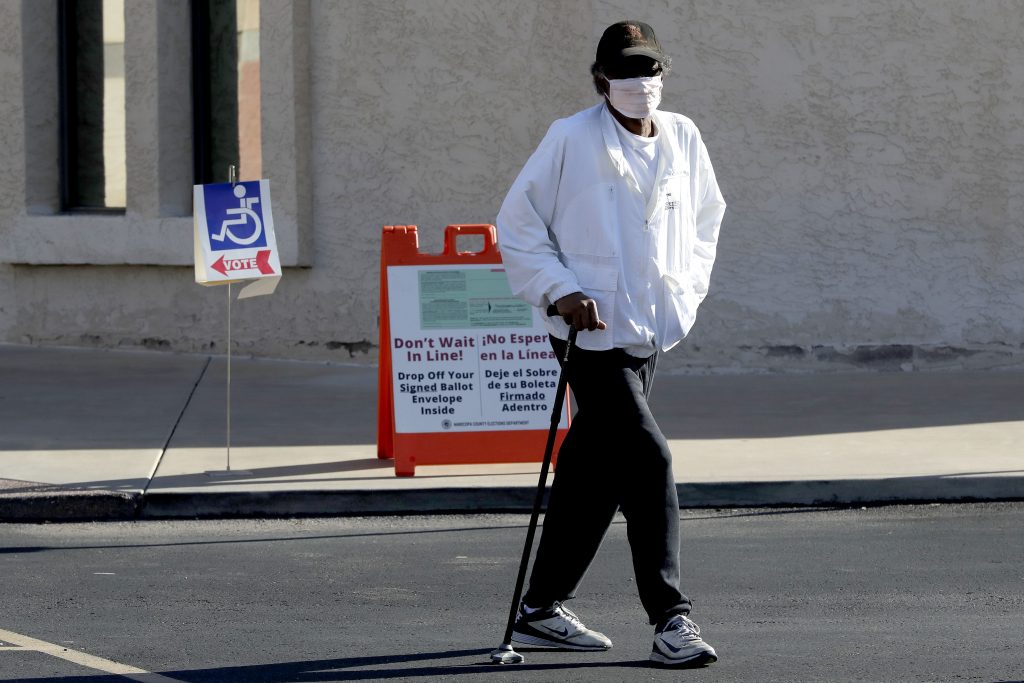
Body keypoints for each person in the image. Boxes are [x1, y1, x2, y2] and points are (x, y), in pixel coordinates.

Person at [495, 20, 726, 667]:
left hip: (650, 329)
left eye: (649, 71)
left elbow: (707, 217)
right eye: (624, 73)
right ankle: (672, 618)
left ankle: (541, 607)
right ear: (601, 80)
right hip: (585, 335)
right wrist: (560, 287)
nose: (639, 84)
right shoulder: (569, 138)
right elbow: (516, 225)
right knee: (648, 457)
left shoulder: (682, 137)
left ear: (664, 74)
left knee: (594, 473)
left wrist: (684, 292)